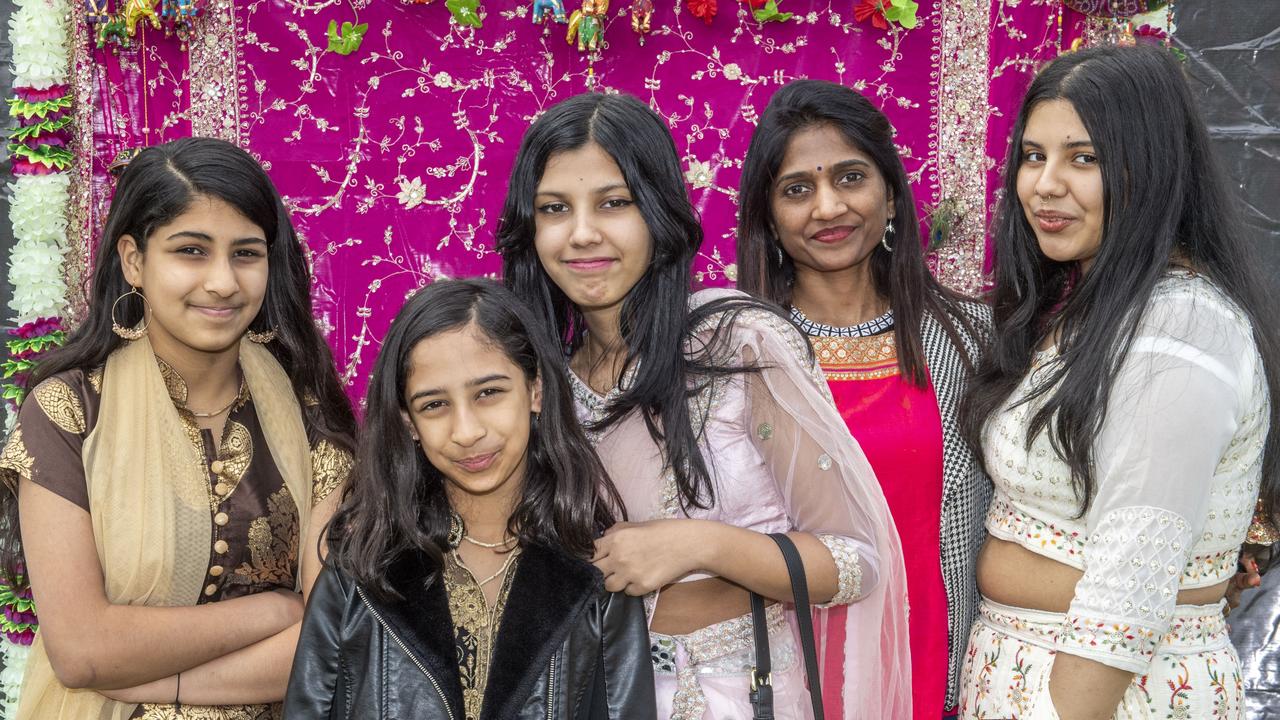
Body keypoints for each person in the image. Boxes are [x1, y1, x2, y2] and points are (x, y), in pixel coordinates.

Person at [498, 91, 910, 719]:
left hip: (744, 699)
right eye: (555, 209)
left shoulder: (737, 343)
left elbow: (856, 562)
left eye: (614, 203)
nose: (583, 233)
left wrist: (700, 545)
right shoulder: (538, 387)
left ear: (659, 214)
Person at [958, 44, 1280, 720]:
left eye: (1084, 158)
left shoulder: (1181, 329)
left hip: (1108, 694)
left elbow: (1125, 597)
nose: (1045, 184)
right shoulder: (1090, 306)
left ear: (1154, 169)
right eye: (1033, 155)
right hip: (1029, 671)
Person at [0, 137, 357, 719]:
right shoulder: (68, 412)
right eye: (191, 251)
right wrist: (277, 612)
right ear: (134, 260)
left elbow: (332, 643)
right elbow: (83, 651)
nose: (222, 282)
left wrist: (158, 681)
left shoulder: (306, 410)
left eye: (246, 254)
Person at [284, 279, 656, 719]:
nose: (467, 431)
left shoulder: (596, 571)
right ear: (407, 421)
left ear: (535, 390)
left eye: (488, 393)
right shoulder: (361, 568)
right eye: (434, 405)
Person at [735, 79, 990, 719]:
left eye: (850, 178)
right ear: (768, 217)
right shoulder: (736, 356)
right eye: (797, 189)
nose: (828, 207)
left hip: (944, 663)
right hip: (797, 675)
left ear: (891, 195)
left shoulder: (969, 341)